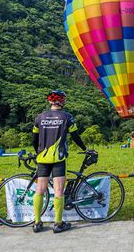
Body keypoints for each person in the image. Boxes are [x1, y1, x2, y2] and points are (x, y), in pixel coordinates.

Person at [32, 89, 86, 234]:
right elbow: (75, 136)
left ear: (50, 101)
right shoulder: (67, 117)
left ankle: (37, 223)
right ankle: (58, 223)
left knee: (40, 190)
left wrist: (38, 151)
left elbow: (34, 139)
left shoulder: (40, 117)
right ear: (62, 101)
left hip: (42, 158)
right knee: (58, 191)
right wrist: (84, 148)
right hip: (58, 158)